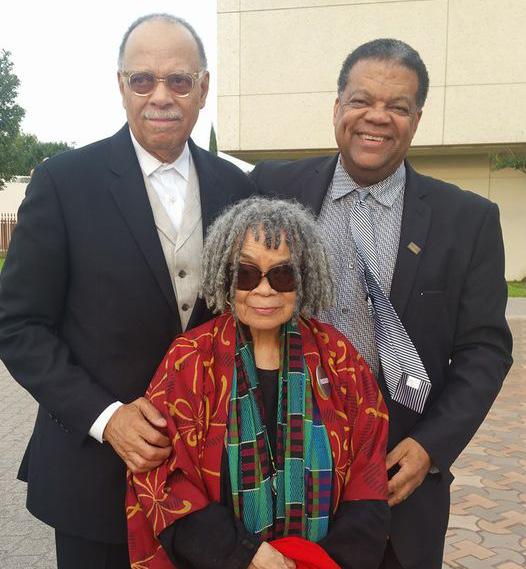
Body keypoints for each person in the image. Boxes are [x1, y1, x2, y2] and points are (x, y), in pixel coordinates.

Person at [0, 13, 254, 569]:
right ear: (121, 86)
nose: (161, 96)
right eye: (143, 80)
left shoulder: (237, 188)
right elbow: (17, 325)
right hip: (95, 480)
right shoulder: (64, 181)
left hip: (212, 483)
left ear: (203, 88)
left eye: (179, 80)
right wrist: (106, 417)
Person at [249, 39, 513, 569]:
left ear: (417, 119)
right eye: (361, 100)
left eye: (397, 106)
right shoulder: (271, 188)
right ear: (337, 107)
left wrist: (432, 447)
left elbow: (485, 351)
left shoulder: (468, 220)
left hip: (395, 483)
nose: (377, 117)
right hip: (275, 473)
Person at [126, 197, 390, 569]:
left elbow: (368, 471)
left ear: (305, 278)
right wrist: (244, 554)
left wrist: (320, 562)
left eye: (283, 275)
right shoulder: (190, 359)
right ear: (224, 276)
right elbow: (163, 478)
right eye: (246, 274)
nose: (264, 290)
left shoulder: (339, 358)